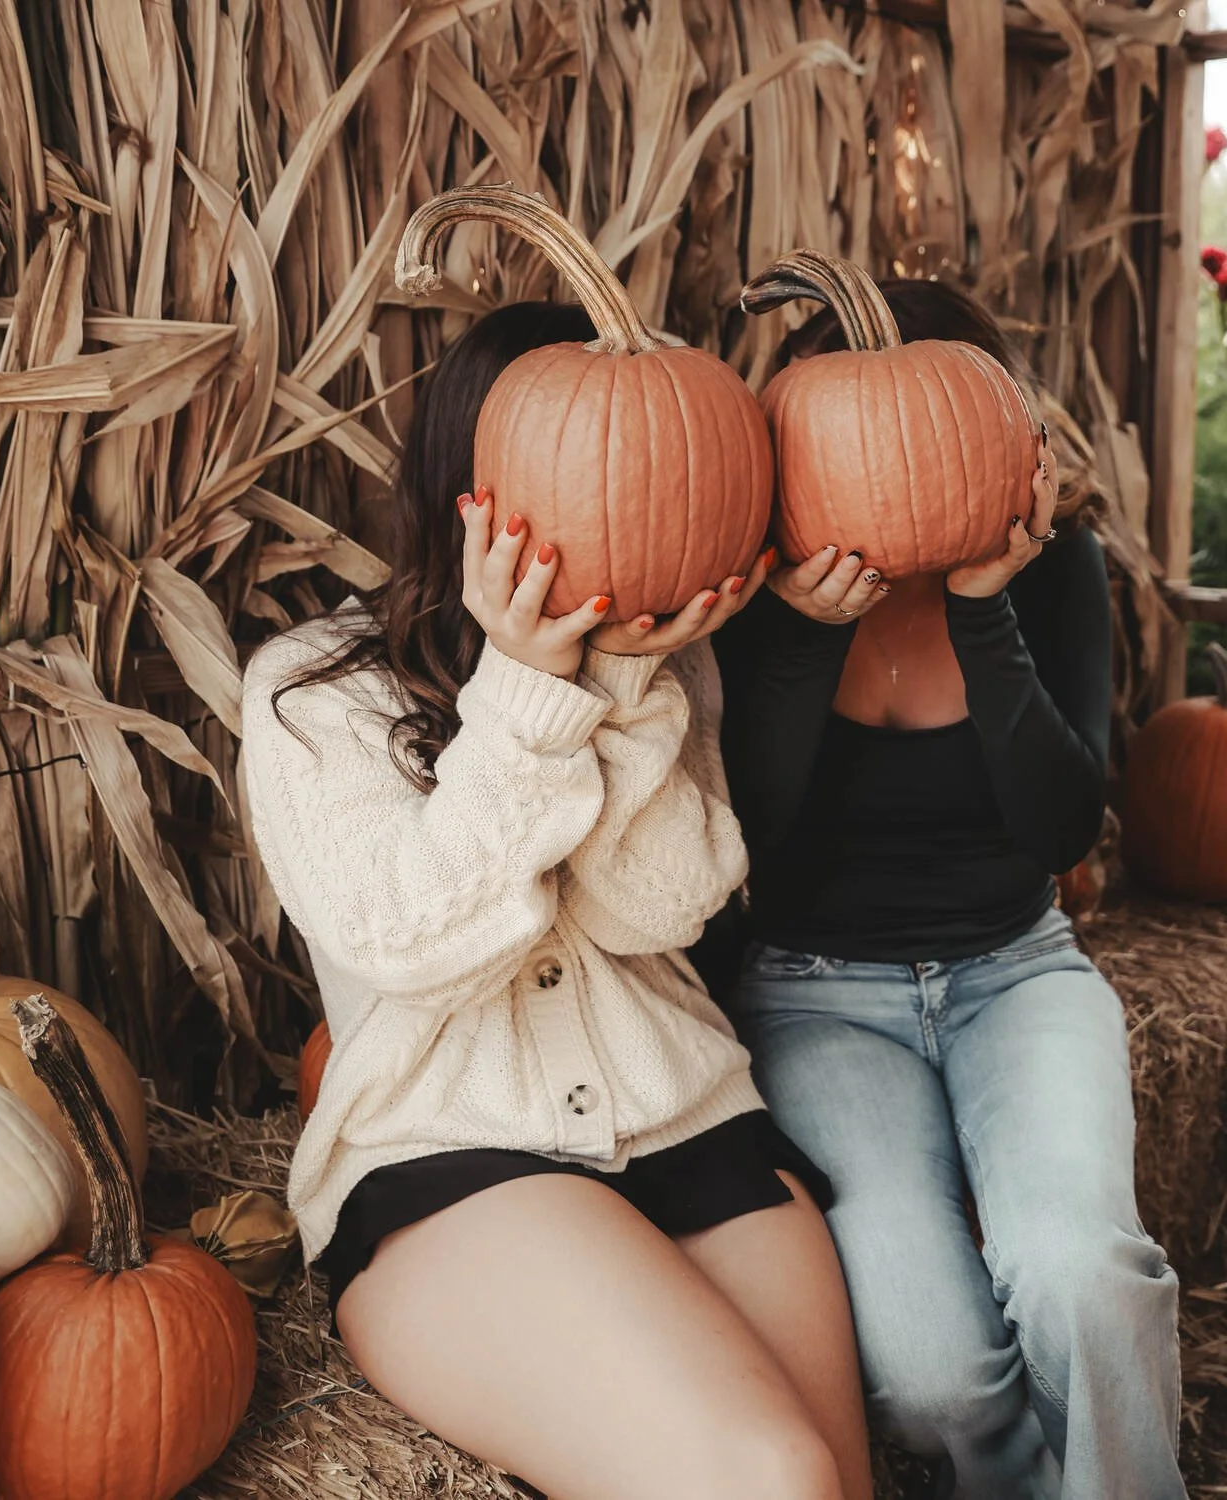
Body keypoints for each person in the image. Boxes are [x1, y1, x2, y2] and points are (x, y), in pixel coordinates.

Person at [240, 302, 872, 1500]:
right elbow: (414, 938)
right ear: (470, 493)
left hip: (689, 1118)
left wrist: (627, 681)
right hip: (455, 1157)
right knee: (773, 1477)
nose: (631, 498)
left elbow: (661, 910)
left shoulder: (669, 667)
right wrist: (529, 690)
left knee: (835, 1482)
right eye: (593, 471)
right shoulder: (313, 697)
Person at [715, 282, 1187, 1500]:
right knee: (927, 1372)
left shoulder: (1049, 566)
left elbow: (1058, 827)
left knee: (1082, 1272)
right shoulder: (748, 591)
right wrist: (803, 636)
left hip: (1013, 966)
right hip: (815, 995)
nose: (892, 452)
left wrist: (985, 617)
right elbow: (744, 838)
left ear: (994, 430)